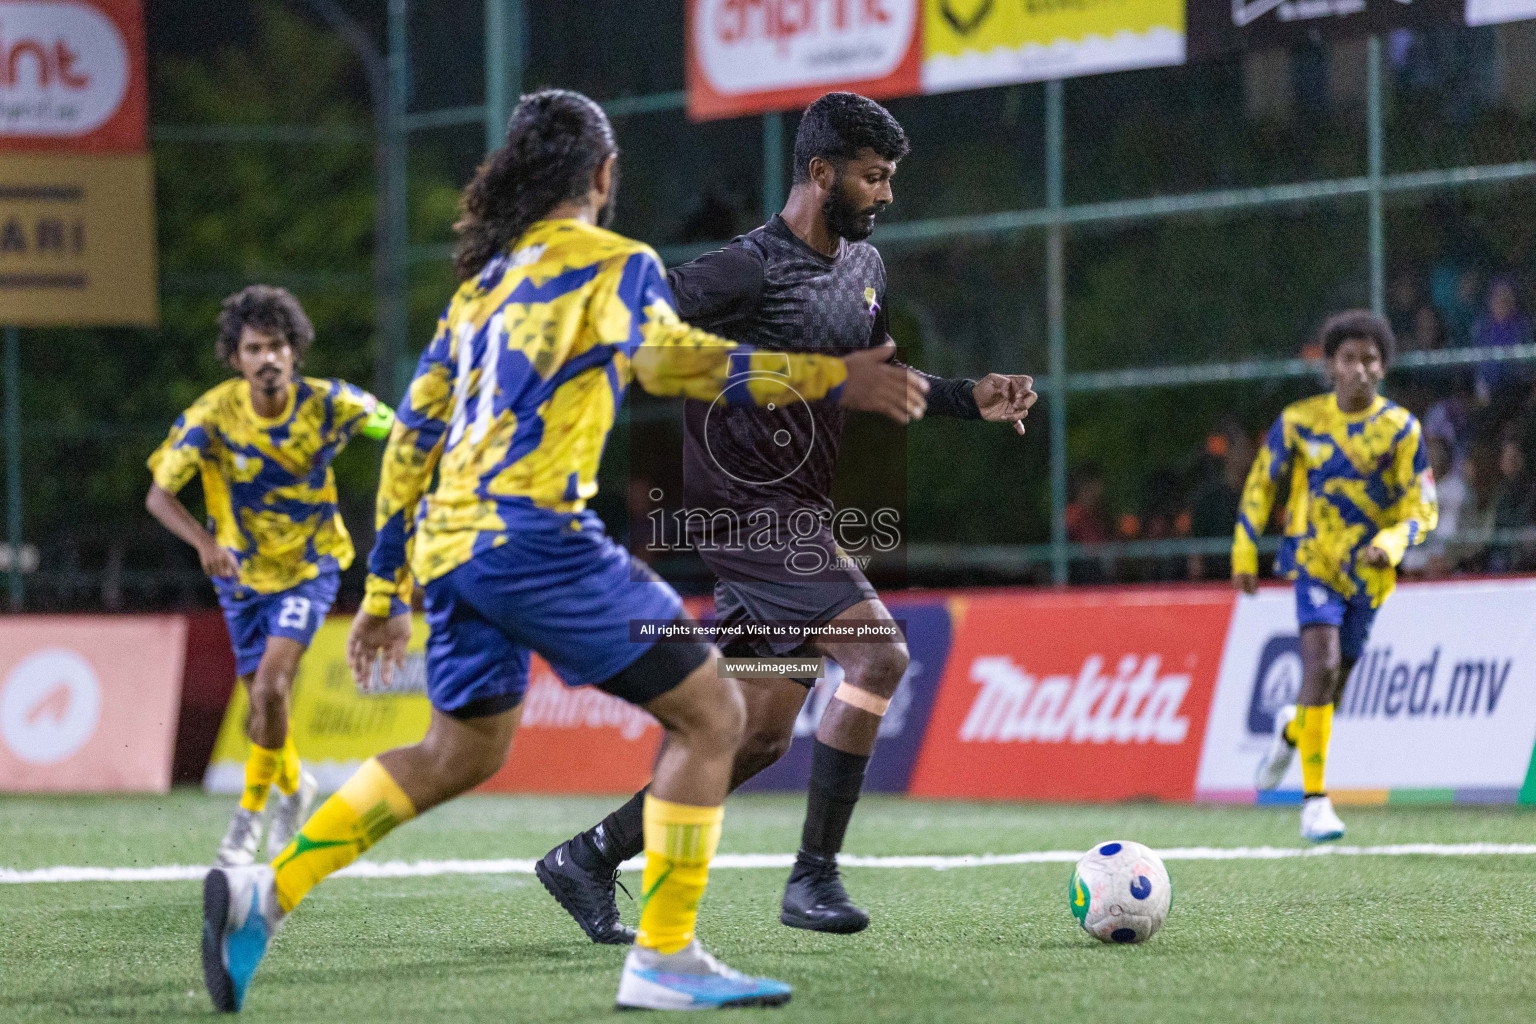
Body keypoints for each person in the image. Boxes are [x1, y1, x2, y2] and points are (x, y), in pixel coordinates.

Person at [197, 88, 924, 1014]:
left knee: (458, 752)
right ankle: (665, 958)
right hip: (535, 538)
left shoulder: (479, 290)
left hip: (448, 549)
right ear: (602, 175)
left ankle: (266, 892)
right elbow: (674, 365)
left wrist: (383, 589)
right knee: (715, 715)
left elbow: (414, 438)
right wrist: (832, 377)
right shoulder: (615, 266)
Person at [536, 92, 1037, 945]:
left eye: (889, 179)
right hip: (745, 518)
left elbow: (875, 375)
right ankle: (814, 879)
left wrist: (967, 398)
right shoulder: (744, 269)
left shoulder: (866, 272)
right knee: (879, 654)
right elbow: (645, 337)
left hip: (798, 519)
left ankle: (588, 855)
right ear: (820, 172)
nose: (886, 195)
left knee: (755, 733)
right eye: (874, 178)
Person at [146, 286, 393, 867]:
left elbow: (398, 428)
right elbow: (158, 496)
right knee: (262, 703)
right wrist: (203, 542)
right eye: (255, 348)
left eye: (278, 345)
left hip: (311, 567)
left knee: (273, 686)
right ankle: (295, 787)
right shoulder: (210, 418)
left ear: (295, 350)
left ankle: (248, 818)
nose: (269, 358)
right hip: (239, 577)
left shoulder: (329, 403)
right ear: (236, 358)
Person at [1238, 311, 1437, 842]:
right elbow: (1262, 483)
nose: (1359, 369)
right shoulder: (1301, 421)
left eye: (1370, 359)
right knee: (1321, 666)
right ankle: (1314, 803)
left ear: (1383, 368)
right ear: (1330, 366)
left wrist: (1391, 543)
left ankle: (1289, 728)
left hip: (1369, 577)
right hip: (1314, 563)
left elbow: (1424, 509)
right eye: (1348, 359)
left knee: (1332, 689)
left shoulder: (1401, 431)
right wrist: (1243, 550)